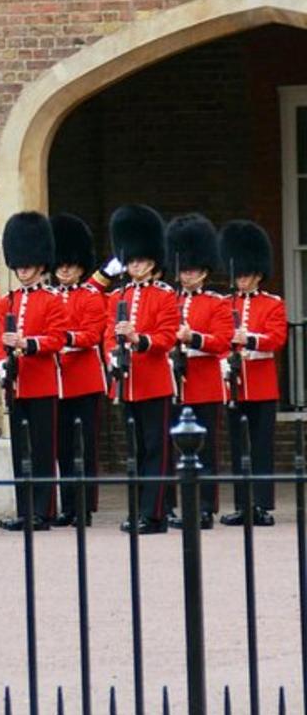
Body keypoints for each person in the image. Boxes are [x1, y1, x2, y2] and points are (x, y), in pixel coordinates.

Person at [103, 204, 179, 534]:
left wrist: (137, 338)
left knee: (156, 448)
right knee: (134, 450)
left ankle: (156, 512)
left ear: (153, 263)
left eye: (142, 261)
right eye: (132, 261)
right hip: (127, 382)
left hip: (154, 381)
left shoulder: (165, 295)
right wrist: (111, 355)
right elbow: (107, 333)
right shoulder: (116, 296)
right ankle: (139, 510)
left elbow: (166, 337)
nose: (136, 266)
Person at [0, 211, 68, 532]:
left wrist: (27, 343)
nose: (23, 271)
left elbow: (56, 339)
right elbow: (1, 341)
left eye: (28, 265)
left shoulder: (53, 300)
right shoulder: (8, 302)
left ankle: (44, 510)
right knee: (20, 450)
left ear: (41, 265)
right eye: (20, 265)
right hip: (17, 384)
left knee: (42, 450)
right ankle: (26, 509)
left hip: (42, 383)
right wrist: (2, 365)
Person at [218, 220, 288, 527]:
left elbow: (276, 338)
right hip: (233, 384)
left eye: (246, 274)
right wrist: (223, 358)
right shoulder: (224, 303)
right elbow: (219, 337)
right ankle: (242, 505)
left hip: (261, 386)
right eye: (239, 275)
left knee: (261, 447)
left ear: (257, 275)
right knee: (237, 447)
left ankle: (262, 506)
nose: (242, 280)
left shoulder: (272, 304)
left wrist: (250, 339)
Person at [166, 213, 230, 530]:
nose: (187, 275)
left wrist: (194, 339)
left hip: (204, 383)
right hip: (173, 383)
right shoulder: (169, 300)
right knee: (170, 449)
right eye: (184, 269)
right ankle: (174, 506)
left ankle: (205, 507)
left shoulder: (216, 303)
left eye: (193, 269)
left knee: (206, 451)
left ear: (204, 271)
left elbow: (221, 342)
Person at [50, 213, 107, 526]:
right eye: (60, 265)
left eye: (70, 265)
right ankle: (68, 506)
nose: (64, 270)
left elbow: (91, 334)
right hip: (58, 380)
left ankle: (84, 507)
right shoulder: (50, 297)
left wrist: (64, 338)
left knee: (84, 445)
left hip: (85, 380)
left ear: (81, 266)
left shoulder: (91, 297)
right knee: (63, 447)